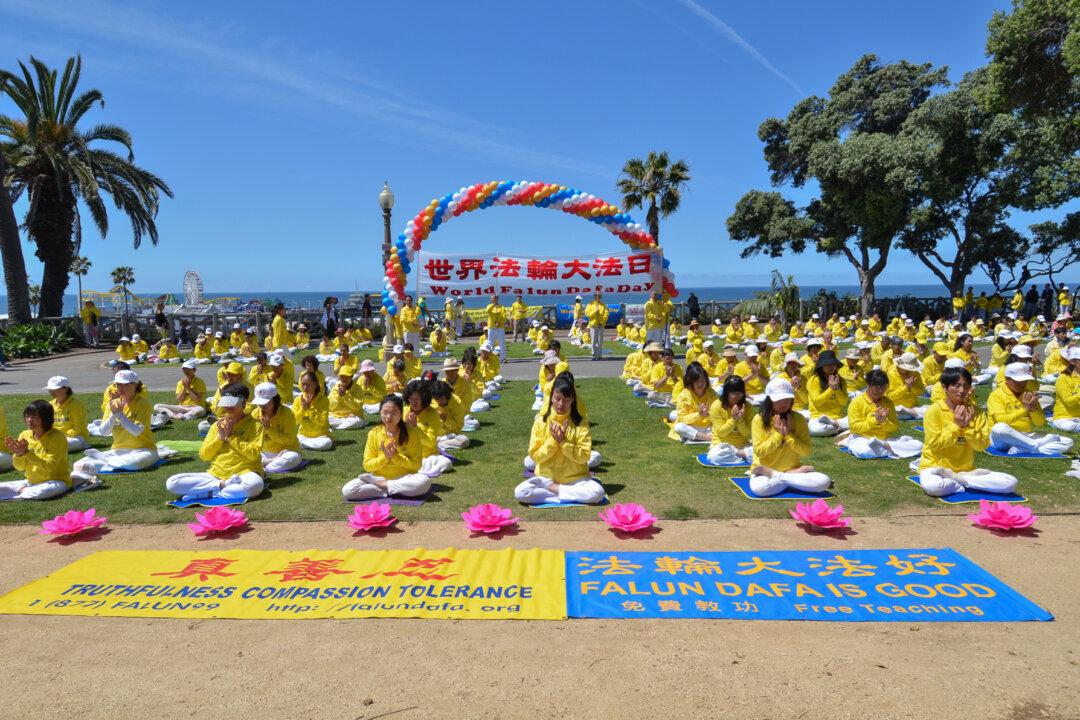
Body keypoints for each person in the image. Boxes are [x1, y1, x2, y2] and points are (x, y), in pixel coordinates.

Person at [916, 367, 1018, 497]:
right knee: (934, 487)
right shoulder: (934, 411)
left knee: (1010, 483)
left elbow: (981, 446)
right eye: (956, 386)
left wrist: (968, 428)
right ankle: (961, 482)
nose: (962, 390)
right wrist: (956, 425)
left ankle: (957, 480)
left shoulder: (977, 412)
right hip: (934, 468)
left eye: (965, 386)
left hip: (966, 471)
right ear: (944, 387)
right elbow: (935, 444)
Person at [164, 383, 265, 501]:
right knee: (172, 483)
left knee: (255, 485)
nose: (228, 407)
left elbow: (254, 455)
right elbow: (204, 456)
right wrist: (220, 439)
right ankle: (222, 486)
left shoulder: (255, 425)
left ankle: (209, 492)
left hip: (244, 473)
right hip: (216, 475)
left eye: (232, 403)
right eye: (226, 402)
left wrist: (231, 437)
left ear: (243, 402)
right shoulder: (217, 426)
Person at [515, 375, 604, 505]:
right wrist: (553, 441)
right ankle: (567, 494)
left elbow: (584, 457)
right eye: (557, 399)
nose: (561, 404)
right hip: (546, 479)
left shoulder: (581, 423)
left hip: (576, 478)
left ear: (573, 400)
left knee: (598, 492)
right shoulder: (541, 421)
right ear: (551, 397)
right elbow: (535, 457)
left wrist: (563, 442)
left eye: (566, 400)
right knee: (520, 492)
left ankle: (556, 492)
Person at [747, 378, 832, 497]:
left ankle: (779, 477)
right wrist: (778, 435)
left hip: (790, 470)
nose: (784, 403)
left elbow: (806, 451)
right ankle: (790, 480)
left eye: (787, 399)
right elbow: (759, 452)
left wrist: (788, 435)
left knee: (824, 481)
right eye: (779, 399)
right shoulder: (759, 419)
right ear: (770, 399)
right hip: (764, 471)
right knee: (760, 489)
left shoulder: (798, 419)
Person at [342, 395, 432, 501]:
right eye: (385, 412)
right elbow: (367, 466)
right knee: (348, 490)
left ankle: (384, 487)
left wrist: (396, 457)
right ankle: (391, 488)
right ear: (380, 413)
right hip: (378, 477)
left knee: (424, 482)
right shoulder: (374, 433)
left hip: (404, 478)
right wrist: (385, 457)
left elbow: (417, 465)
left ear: (401, 414)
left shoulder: (411, 433)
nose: (389, 417)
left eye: (394, 413)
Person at [72, 370, 160, 479]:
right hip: (118, 451)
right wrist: (113, 415)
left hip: (143, 450)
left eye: (126, 384)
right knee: (79, 464)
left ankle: (104, 460)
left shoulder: (143, 404)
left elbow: (136, 431)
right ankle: (109, 462)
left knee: (132, 463)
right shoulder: (113, 404)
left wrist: (119, 414)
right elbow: (104, 432)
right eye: (118, 385)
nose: (121, 388)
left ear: (135, 384)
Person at [987, 363, 1073, 455]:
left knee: (1068, 442)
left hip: (1026, 436)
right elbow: (1001, 420)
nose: (1022, 384)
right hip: (1002, 438)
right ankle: (1035, 446)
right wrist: (1025, 409)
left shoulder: (1029, 393)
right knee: (999, 428)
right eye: (1018, 381)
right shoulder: (996, 395)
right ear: (1007, 379)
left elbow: (1040, 423)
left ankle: (1027, 449)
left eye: (1025, 380)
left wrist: (1033, 410)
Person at [840, 370, 923, 459]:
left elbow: (894, 427)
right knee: (863, 451)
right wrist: (875, 420)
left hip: (884, 439)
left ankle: (884, 447)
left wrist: (884, 422)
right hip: (862, 438)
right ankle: (890, 448)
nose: (880, 391)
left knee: (919, 445)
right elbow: (854, 428)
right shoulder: (856, 402)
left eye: (884, 388)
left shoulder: (888, 403)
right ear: (868, 385)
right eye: (877, 387)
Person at [0, 400, 71, 500]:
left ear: (46, 419)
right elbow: (19, 467)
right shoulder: (25, 435)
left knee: (38, 492)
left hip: (55, 481)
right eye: (27, 416)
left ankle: (22, 491)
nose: (29, 420)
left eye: (34, 417)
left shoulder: (58, 437)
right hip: (31, 482)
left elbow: (49, 466)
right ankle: (23, 490)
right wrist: (19, 454)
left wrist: (27, 453)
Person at [402, 379, 453, 477]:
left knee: (446, 463)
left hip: (427, 457)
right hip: (407, 455)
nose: (413, 402)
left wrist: (415, 428)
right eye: (411, 399)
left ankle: (414, 470)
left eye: (417, 399)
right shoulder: (404, 411)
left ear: (424, 398)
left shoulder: (433, 414)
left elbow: (430, 442)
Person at [249, 381, 303, 473]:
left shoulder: (287, 413)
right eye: (259, 402)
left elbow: (289, 440)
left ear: (275, 399)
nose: (261, 405)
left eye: (265, 402)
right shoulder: (255, 414)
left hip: (285, 452)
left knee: (292, 458)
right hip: (264, 453)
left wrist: (269, 429)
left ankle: (263, 467)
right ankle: (267, 463)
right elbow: (253, 440)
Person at [705, 376, 756, 464]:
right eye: (733, 392)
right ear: (726, 392)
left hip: (742, 445)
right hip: (722, 444)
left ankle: (737, 454)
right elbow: (721, 432)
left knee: (766, 455)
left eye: (739, 393)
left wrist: (740, 420)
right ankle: (743, 456)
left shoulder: (748, 407)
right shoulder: (717, 406)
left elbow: (747, 433)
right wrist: (733, 420)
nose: (736, 396)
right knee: (712, 458)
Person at [670, 363, 718, 442]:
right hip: (692, 426)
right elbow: (682, 419)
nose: (700, 384)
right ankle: (709, 438)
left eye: (703, 381)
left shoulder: (712, 394)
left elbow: (718, 416)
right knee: (678, 427)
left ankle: (696, 437)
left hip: (709, 426)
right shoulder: (684, 395)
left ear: (706, 381)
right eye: (697, 381)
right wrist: (699, 415)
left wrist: (707, 415)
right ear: (691, 382)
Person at [806, 350, 849, 436]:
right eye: (827, 364)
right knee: (815, 430)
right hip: (818, 417)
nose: (831, 367)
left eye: (833, 364)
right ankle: (839, 428)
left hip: (837, 418)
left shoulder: (841, 380)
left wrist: (837, 390)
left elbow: (844, 402)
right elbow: (817, 402)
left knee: (857, 420)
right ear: (821, 366)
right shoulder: (814, 380)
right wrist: (831, 389)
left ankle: (834, 425)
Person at [44, 376, 89, 452]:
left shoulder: (76, 405)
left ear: (65, 389)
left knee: (60, 445)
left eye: (54, 389)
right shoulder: (50, 405)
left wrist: (61, 435)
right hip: (55, 436)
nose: (51, 392)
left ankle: (83, 444)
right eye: (50, 389)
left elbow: (79, 427)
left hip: (75, 437)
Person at [293, 371, 333, 450]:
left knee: (327, 443)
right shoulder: (298, 400)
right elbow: (294, 422)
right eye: (303, 384)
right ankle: (301, 444)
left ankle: (301, 445)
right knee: (291, 439)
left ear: (316, 384)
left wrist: (310, 409)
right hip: (303, 436)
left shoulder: (324, 400)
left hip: (320, 437)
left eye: (308, 384)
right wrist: (303, 410)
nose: (305, 387)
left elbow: (322, 422)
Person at [429, 380, 470, 452]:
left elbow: (457, 428)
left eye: (441, 398)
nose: (438, 401)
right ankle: (437, 444)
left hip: (450, 436)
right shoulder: (430, 401)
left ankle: (436, 445)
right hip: (434, 435)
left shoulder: (457, 402)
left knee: (464, 441)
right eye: (436, 399)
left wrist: (445, 419)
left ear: (447, 395)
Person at [888, 352, 927, 420]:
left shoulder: (915, 373)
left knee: (931, 409)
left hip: (913, 407)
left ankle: (912, 413)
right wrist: (906, 387)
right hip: (897, 407)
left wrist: (912, 386)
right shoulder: (890, 374)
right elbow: (889, 397)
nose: (911, 369)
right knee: (898, 410)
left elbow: (921, 392)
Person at [585, 292, 609, 360]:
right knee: (593, 340)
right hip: (593, 325)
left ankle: (599, 355)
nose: (599, 297)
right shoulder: (590, 304)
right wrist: (594, 311)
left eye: (600, 296)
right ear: (595, 296)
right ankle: (593, 354)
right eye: (598, 296)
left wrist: (602, 321)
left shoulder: (603, 305)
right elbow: (587, 314)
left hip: (601, 325)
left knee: (600, 340)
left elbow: (606, 314)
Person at [485, 294, 508, 361]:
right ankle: (489, 357)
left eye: (493, 298)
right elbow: (488, 311)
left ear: (497, 298)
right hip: (491, 327)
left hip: (500, 328)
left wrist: (499, 322)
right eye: (491, 298)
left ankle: (502, 358)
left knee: (502, 343)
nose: (491, 299)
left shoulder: (502, 307)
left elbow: (504, 316)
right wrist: (494, 304)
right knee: (490, 343)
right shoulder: (489, 306)